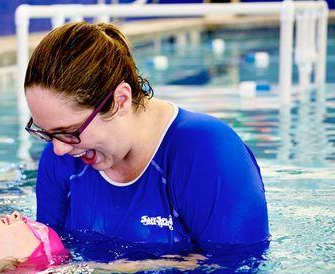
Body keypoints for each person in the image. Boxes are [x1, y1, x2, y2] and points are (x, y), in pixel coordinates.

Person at [24, 22, 269, 254]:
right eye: (47, 133)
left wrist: (113, 273)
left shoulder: (209, 153)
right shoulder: (61, 158)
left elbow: (235, 272)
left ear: (120, 101)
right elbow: (53, 259)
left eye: (70, 132)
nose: (58, 149)